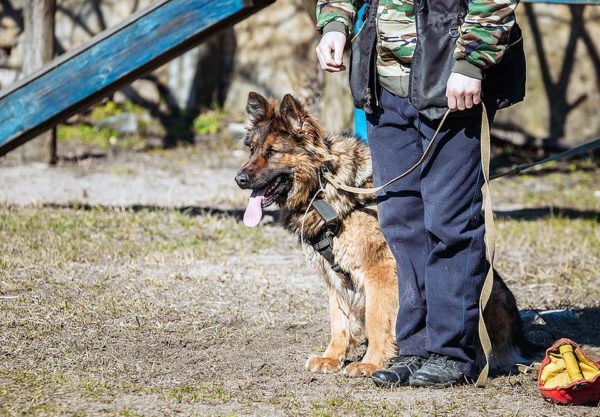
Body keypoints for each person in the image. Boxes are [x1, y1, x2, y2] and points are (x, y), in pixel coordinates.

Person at [315, 0, 525, 387]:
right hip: (382, 86)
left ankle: (451, 352)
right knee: (399, 222)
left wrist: (472, 62)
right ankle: (413, 347)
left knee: (449, 222)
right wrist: (334, 23)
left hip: (452, 81)